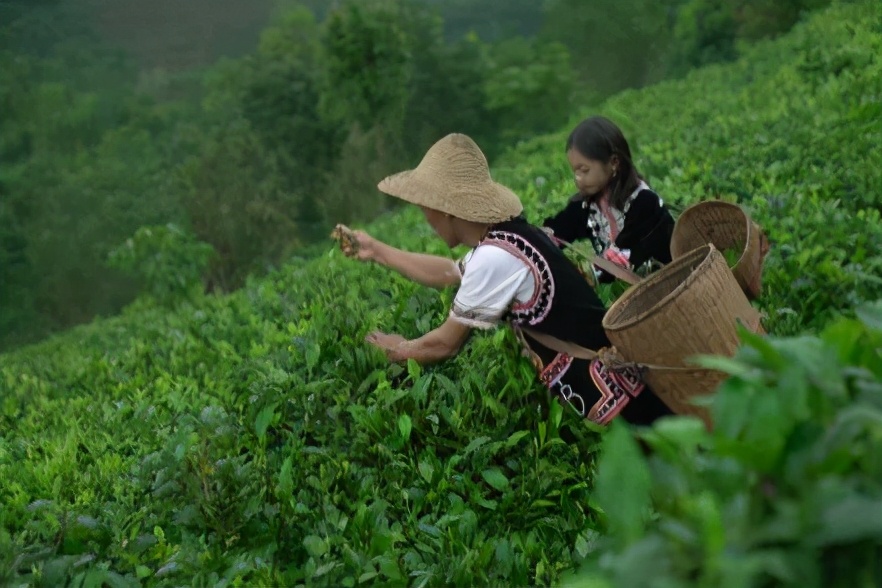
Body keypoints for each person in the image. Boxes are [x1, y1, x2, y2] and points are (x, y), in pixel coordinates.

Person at [335, 133, 672, 426]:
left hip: (619, 402)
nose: (425, 216)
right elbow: (450, 273)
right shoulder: (508, 236)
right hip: (619, 385)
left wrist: (395, 351)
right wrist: (376, 250)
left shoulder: (494, 257)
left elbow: (445, 344)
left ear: (448, 209)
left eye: (426, 205)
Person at [543, 116, 675, 282]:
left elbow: (621, 258)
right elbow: (560, 228)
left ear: (614, 162)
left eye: (584, 170)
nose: (578, 179)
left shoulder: (645, 202)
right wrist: (544, 237)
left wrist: (587, 275)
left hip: (668, 286)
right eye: (575, 172)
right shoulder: (588, 205)